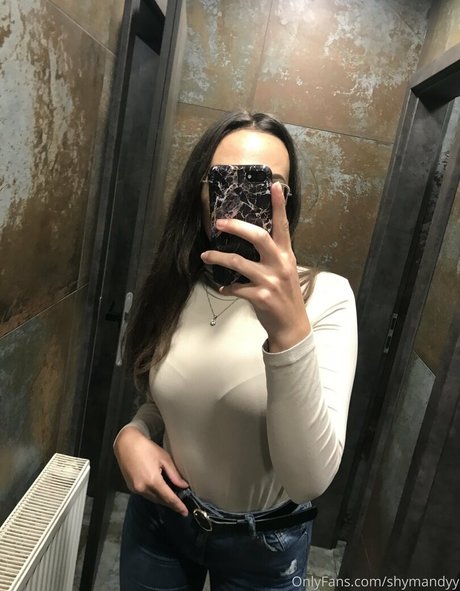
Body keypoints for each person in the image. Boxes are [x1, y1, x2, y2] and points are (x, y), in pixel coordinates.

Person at [114, 111, 358, 591]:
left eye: (266, 184)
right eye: (224, 180)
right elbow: (166, 403)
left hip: (265, 544)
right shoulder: (176, 286)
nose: (242, 200)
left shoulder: (325, 297)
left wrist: (289, 331)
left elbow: (308, 481)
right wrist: (132, 434)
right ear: (202, 194)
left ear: (286, 200)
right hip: (163, 516)